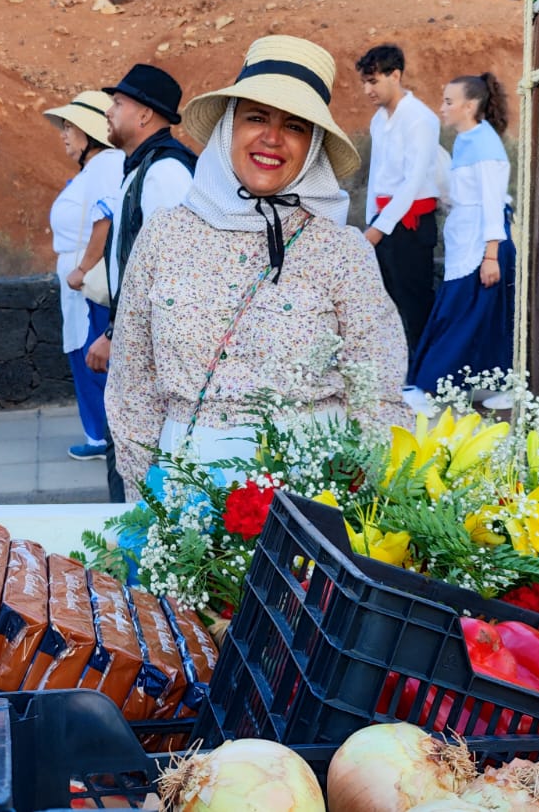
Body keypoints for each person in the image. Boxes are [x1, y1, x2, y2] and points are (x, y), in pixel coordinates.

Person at [105, 35, 411, 496]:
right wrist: (144, 502)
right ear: (230, 126)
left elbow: (377, 393)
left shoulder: (342, 251)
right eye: (256, 117)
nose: (271, 138)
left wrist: (366, 509)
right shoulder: (165, 236)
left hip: (312, 494)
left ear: (313, 146)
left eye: (294, 125)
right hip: (185, 494)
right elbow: (134, 385)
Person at [88, 63, 197, 500]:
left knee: (141, 464)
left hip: (151, 351)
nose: (109, 112)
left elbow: (170, 272)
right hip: (142, 344)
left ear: (146, 115)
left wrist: (117, 334)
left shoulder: (165, 172)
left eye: (117, 103)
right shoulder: (145, 167)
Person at [406, 72, 516, 413]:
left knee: (461, 318)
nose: (442, 108)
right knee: (475, 319)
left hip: (483, 248)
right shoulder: (469, 140)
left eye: (449, 102)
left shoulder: (485, 146)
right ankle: (493, 385)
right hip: (467, 243)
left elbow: (493, 202)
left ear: (470, 106)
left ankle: (429, 388)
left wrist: (491, 256)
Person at [42, 90, 124, 462]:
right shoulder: (94, 168)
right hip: (80, 281)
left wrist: (82, 269)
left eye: (70, 127)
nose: (63, 134)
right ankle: (98, 437)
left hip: (89, 283)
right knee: (83, 354)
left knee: (94, 355)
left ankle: (108, 439)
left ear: (91, 131)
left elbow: (104, 218)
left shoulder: (106, 163)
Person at [356, 44, 443, 355]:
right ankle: (394, 370)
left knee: (415, 300)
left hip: (411, 222)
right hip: (382, 217)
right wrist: (371, 221)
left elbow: (414, 180)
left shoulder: (421, 119)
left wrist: (379, 228)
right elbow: (377, 173)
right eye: (365, 82)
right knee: (385, 299)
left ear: (396, 75)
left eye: (374, 81)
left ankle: (427, 374)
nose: (368, 90)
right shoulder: (379, 120)